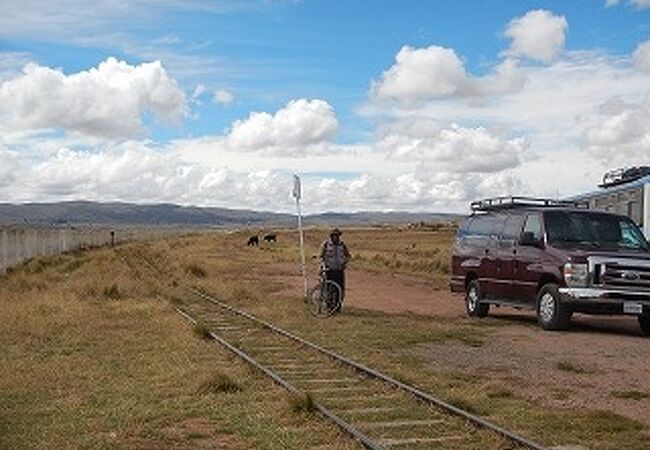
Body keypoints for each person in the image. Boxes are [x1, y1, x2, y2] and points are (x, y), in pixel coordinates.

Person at [319, 228, 351, 312]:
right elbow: (321, 257)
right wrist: (322, 267)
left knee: (340, 289)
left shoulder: (342, 245)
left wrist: (345, 263)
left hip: (340, 271)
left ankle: (338, 307)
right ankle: (329, 307)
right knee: (330, 289)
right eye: (333, 235)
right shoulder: (326, 244)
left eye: (337, 235)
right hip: (329, 270)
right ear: (331, 236)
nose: (335, 237)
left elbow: (348, 255)